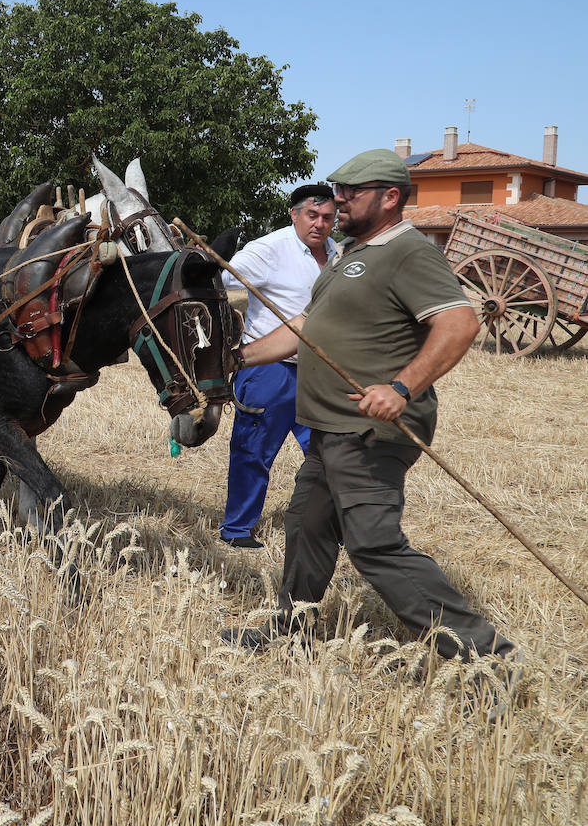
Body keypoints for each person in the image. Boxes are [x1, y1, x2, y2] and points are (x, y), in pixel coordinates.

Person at [221, 149, 515, 667]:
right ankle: (295, 629)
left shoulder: (409, 253)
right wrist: (236, 360)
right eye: (338, 191)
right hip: (331, 427)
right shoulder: (347, 255)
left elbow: (460, 323)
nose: (338, 201)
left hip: (370, 430)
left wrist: (400, 389)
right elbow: (304, 329)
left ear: (390, 196)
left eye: (350, 193)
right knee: (308, 524)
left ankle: (485, 660)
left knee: (373, 544)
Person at [218, 185, 336, 549]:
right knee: (253, 450)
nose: (319, 224)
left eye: (327, 217)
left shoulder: (339, 253)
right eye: (312, 216)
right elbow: (219, 279)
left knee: (330, 453)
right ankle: (237, 530)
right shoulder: (268, 249)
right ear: (294, 214)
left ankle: (330, 526)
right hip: (270, 369)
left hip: (320, 372)